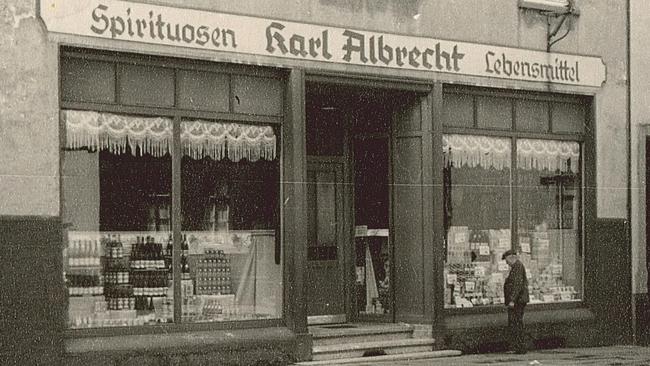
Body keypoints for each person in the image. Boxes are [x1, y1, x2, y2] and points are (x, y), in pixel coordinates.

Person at [502, 249, 530, 354]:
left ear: (511, 258)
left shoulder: (517, 267)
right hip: (518, 300)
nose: (506, 263)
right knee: (515, 323)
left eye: (506, 260)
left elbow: (517, 284)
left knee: (516, 323)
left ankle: (519, 347)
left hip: (518, 301)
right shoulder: (516, 266)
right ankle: (517, 347)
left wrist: (512, 300)